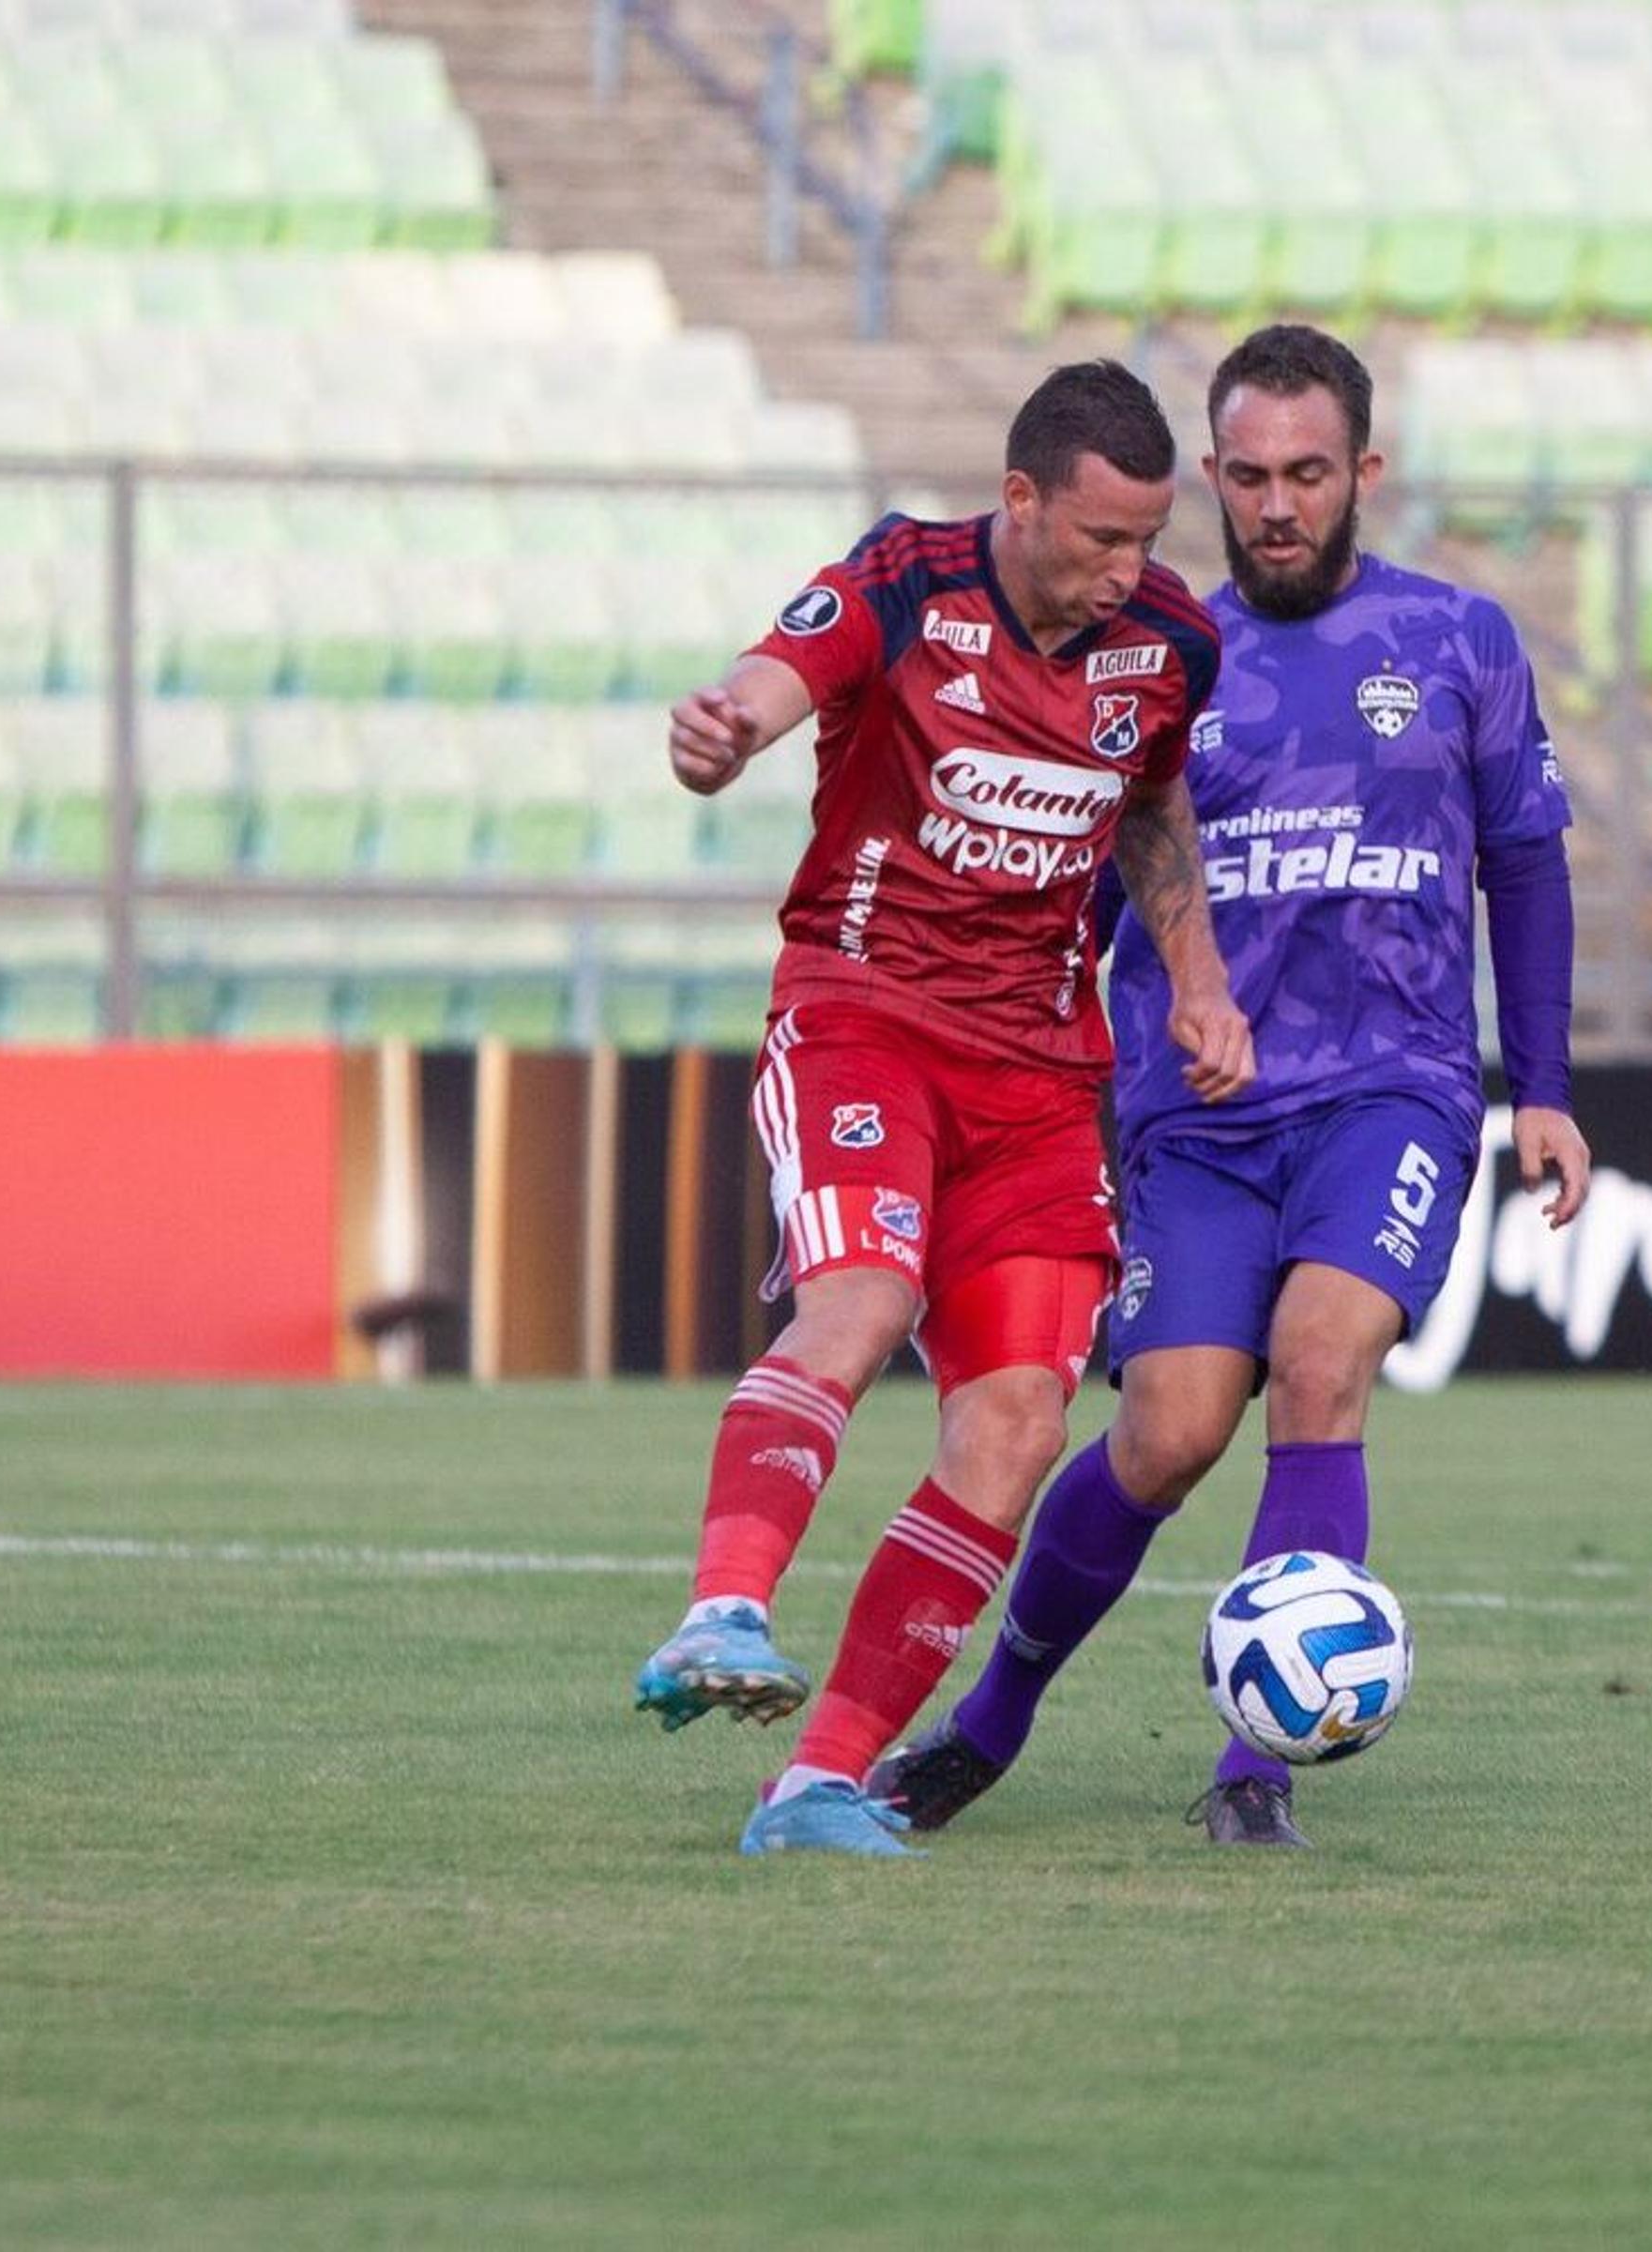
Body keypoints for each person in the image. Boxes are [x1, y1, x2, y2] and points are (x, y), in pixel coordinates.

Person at [865, 324, 1589, 1850]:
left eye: (1308, 474)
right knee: (1172, 1430)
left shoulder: (1461, 643)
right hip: (1190, 1117)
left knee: (1323, 1363)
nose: (1277, 503)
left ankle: (1256, 1767)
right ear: (1211, 475)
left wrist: (1547, 1082)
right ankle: (989, 1721)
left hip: (1390, 1089)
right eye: (1249, 475)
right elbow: (1064, 892)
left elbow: (1525, 861)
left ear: (1363, 474)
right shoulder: (1153, 658)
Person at [629, 361, 1256, 1860]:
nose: (1132, 572)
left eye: (1151, 540)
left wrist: (1199, 980)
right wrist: (731, 728)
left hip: (1041, 1076)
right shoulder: (906, 580)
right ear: (1021, 499)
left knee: (1023, 1420)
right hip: (864, 1015)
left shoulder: (1167, 641)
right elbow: (775, 681)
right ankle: (724, 1605)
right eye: (1103, 539)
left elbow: (1154, 803)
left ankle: (819, 1781)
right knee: (862, 1292)